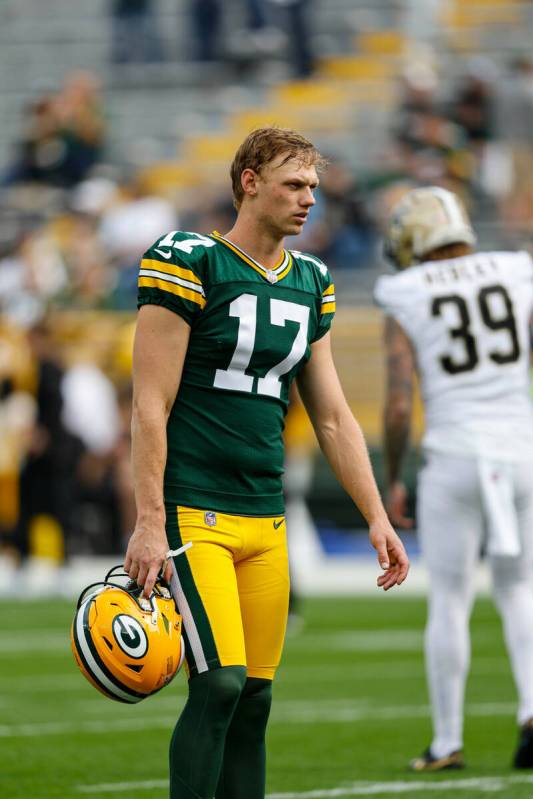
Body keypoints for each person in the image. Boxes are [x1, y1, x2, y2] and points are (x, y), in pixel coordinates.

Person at [124, 126, 409, 799]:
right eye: (293, 184)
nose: (309, 198)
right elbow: (148, 404)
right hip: (194, 508)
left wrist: (376, 516)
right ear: (249, 181)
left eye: (312, 186)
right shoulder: (189, 260)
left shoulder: (310, 280)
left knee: (253, 700)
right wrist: (146, 519)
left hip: (264, 515)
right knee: (219, 681)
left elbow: (333, 415)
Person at [374, 185, 533, 771]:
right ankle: (531, 709)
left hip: (455, 454)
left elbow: (396, 405)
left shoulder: (404, 289)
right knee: (520, 589)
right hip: (520, 452)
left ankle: (447, 740)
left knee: (450, 599)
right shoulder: (517, 269)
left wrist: (391, 476)